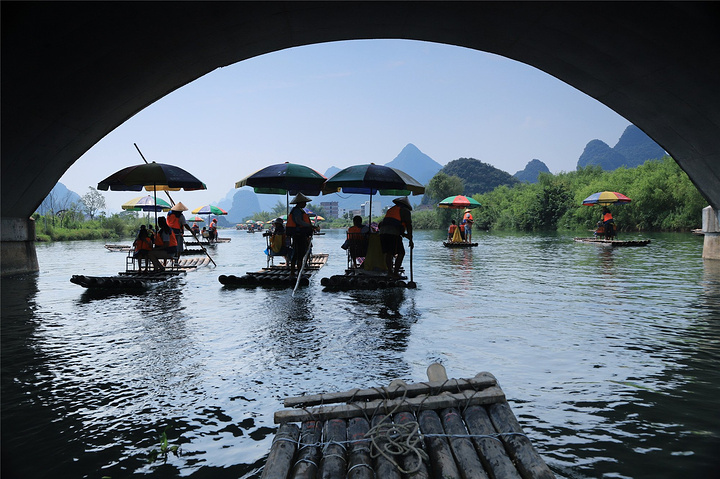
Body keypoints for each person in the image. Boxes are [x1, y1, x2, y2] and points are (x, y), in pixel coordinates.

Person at [379, 196, 413, 277]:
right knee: (401, 253)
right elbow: (408, 225)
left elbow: (394, 225)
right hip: (392, 233)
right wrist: (411, 239)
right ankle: (395, 273)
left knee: (389, 253)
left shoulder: (391, 210)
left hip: (383, 233)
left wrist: (406, 235)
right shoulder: (405, 210)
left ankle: (390, 272)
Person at [286, 193, 315, 275]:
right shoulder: (297, 211)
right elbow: (298, 221)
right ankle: (298, 272)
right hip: (299, 234)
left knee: (296, 253)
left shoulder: (298, 210)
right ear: (300, 203)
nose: (305, 204)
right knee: (299, 254)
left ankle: (294, 272)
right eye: (304, 202)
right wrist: (309, 225)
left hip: (298, 234)